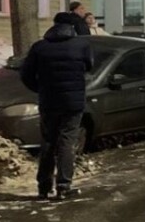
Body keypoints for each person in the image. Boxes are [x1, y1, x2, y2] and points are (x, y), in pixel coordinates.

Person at [20, 12, 93, 201]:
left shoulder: (39, 47)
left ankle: (43, 187)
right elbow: (89, 67)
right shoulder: (82, 46)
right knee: (67, 141)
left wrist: (40, 89)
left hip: (49, 102)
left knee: (48, 141)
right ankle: (63, 185)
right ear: (72, 27)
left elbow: (26, 74)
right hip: (73, 103)